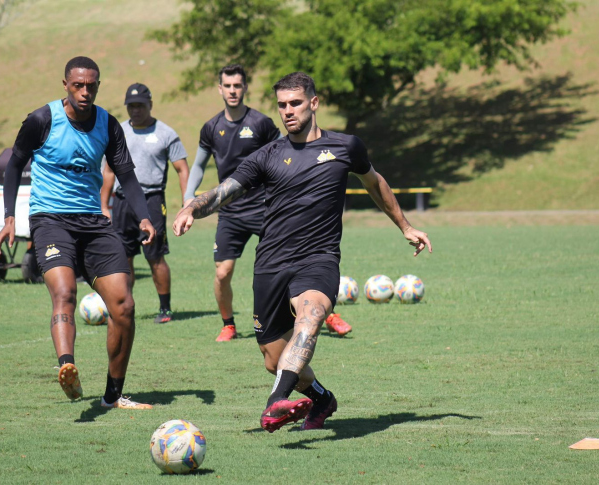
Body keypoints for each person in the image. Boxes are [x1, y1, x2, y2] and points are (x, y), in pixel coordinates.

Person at [173, 72, 432, 432]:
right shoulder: (268, 155)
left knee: (310, 317)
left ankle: (274, 402)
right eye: (281, 105)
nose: (287, 111)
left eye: (295, 103)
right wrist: (191, 208)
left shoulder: (346, 147)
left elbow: (375, 183)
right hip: (270, 263)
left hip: (318, 259)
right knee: (273, 358)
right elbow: (225, 190)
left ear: (314, 102)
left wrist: (405, 226)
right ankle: (322, 398)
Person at [0, 56, 156, 410]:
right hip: (50, 220)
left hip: (94, 223)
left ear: (98, 86)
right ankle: (67, 365)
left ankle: (112, 396)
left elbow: (126, 174)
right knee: (65, 292)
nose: (85, 92)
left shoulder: (109, 125)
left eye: (91, 86)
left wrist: (144, 217)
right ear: (65, 84)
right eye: (78, 85)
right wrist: (9, 217)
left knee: (124, 306)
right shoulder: (42, 120)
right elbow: (14, 164)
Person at [183, 64, 281, 342]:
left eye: (238, 85)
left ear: (245, 88)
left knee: (291, 260)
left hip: (264, 207)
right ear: (220, 89)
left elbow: (283, 155)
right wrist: (189, 197)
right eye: (228, 86)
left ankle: (324, 311)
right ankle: (229, 325)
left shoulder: (261, 123)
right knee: (223, 272)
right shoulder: (211, 128)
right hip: (230, 212)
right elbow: (199, 165)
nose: (233, 90)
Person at [101, 83, 190, 324]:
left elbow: (182, 169)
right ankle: (124, 305)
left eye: (140, 105)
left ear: (150, 104)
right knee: (123, 257)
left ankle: (165, 309)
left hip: (151, 202)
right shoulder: (118, 132)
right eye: (131, 106)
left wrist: (187, 203)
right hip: (121, 202)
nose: (135, 110)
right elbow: (108, 171)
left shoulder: (166, 133)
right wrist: (104, 206)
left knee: (155, 256)